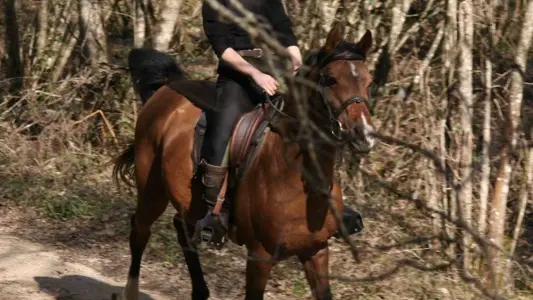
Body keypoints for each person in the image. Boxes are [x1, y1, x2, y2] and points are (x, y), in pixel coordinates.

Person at [195, 0, 303, 245]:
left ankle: (324, 197)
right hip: (237, 79)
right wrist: (255, 73)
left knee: (308, 120)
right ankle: (214, 211)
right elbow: (222, 47)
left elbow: (283, 28)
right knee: (223, 131)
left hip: (274, 73)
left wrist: (296, 57)